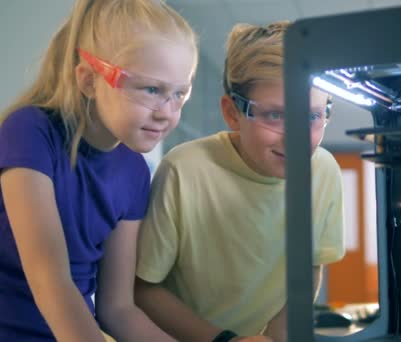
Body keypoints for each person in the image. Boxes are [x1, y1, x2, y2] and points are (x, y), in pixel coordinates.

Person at [134, 21, 345, 342]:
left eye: (312, 116)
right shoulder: (184, 170)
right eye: (274, 115)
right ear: (233, 113)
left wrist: (276, 336)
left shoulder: (324, 169)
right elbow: (143, 289)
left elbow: (311, 265)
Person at [0, 0, 198, 341]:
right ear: (90, 81)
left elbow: (117, 309)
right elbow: (51, 278)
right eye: (152, 90)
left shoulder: (135, 172)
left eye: (179, 94)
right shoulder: (30, 132)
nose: (167, 112)